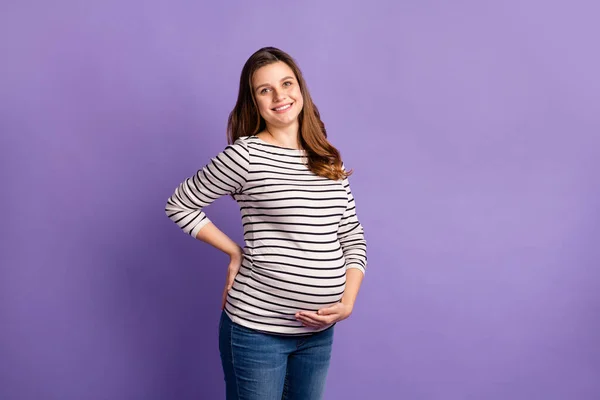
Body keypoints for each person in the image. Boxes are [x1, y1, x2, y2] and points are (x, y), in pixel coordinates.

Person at [165, 47, 368, 400]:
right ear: (254, 102)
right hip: (258, 333)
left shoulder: (327, 158)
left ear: (300, 89)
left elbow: (352, 236)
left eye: (286, 83)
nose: (279, 96)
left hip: (319, 334)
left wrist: (347, 302)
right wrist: (234, 252)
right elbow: (180, 204)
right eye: (265, 90)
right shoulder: (245, 155)